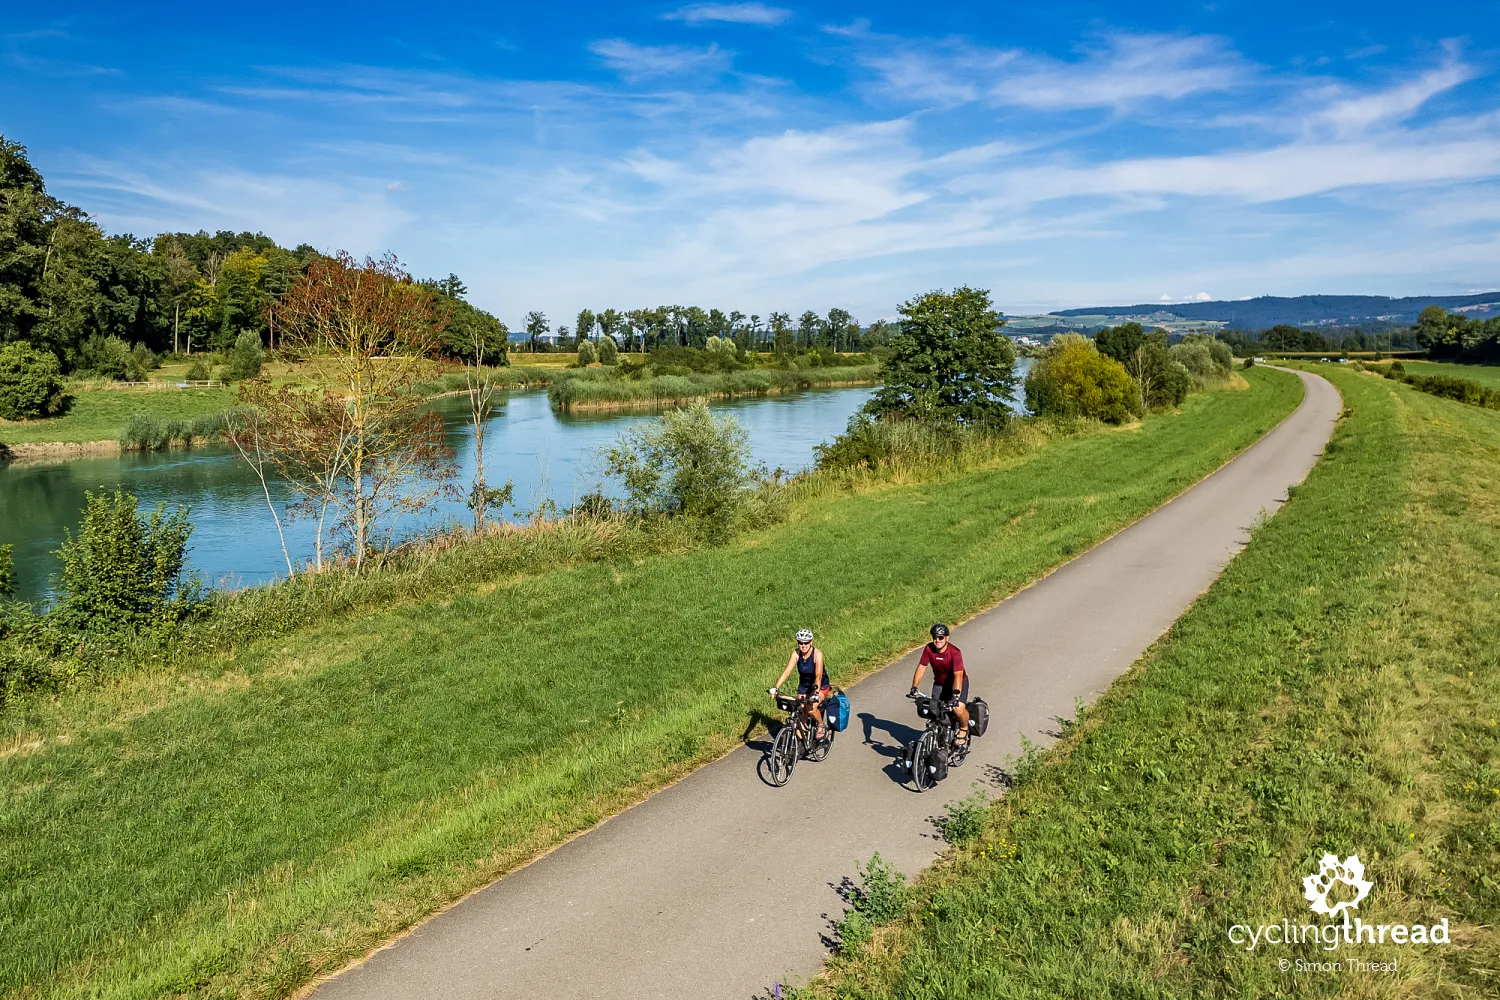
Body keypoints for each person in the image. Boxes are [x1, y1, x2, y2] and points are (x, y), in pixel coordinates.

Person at [909, 623, 970, 747]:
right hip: (940, 683)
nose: (937, 640)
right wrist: (914, 687)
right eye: (935, 637)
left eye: (941, 637)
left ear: (947, 638)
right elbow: (921, 667)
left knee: (958, 709)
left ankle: (964, 728)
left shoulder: (955, 652)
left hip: (957, 683)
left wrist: (956, 696)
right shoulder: (929, 649)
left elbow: (958, 675)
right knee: (934, 710)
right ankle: (939, 739)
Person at [770, 628, 831, 738]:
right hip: (804, 686)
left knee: (810, 709)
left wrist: (816, 693)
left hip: (820, 685)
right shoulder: (796, 653)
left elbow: (818, 675)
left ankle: (821, 724)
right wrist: (776, 687)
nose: (803, 646)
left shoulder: (817, 654)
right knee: (801, 710)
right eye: (800, 643)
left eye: (806, 643)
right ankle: (802, 742)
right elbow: (787, 671)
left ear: (811, 642)